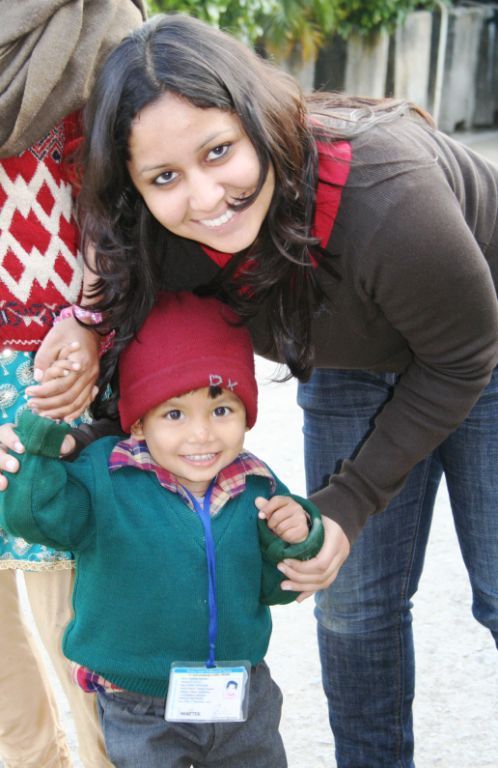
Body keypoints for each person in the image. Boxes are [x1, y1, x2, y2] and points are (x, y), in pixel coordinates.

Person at [3, 12, 497, 767]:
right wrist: (82, 407)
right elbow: (154, 374)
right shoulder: (162, 242)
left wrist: (352, 499)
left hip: (478, 340)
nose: (205, 198)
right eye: (164, 177)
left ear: (257, 117)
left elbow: (462, 359)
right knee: (352, 603)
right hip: (351, 353)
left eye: (218, 151)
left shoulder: (389, 194)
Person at [0, 291, 324, 768]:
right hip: (140, 709)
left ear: (247, 414)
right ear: (137, 423)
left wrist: (295, 537)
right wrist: (41, 442)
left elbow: (275, 587)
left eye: (222, 410)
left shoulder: (257, 482)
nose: (202, 434)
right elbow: (34, 517)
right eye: (174, 414)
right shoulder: (105, 478)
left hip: (241, 699)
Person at [0, 1, 146, 766]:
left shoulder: (104, 25)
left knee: (80, 627)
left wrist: (89, 320)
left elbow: (121, 201)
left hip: (66, 364)